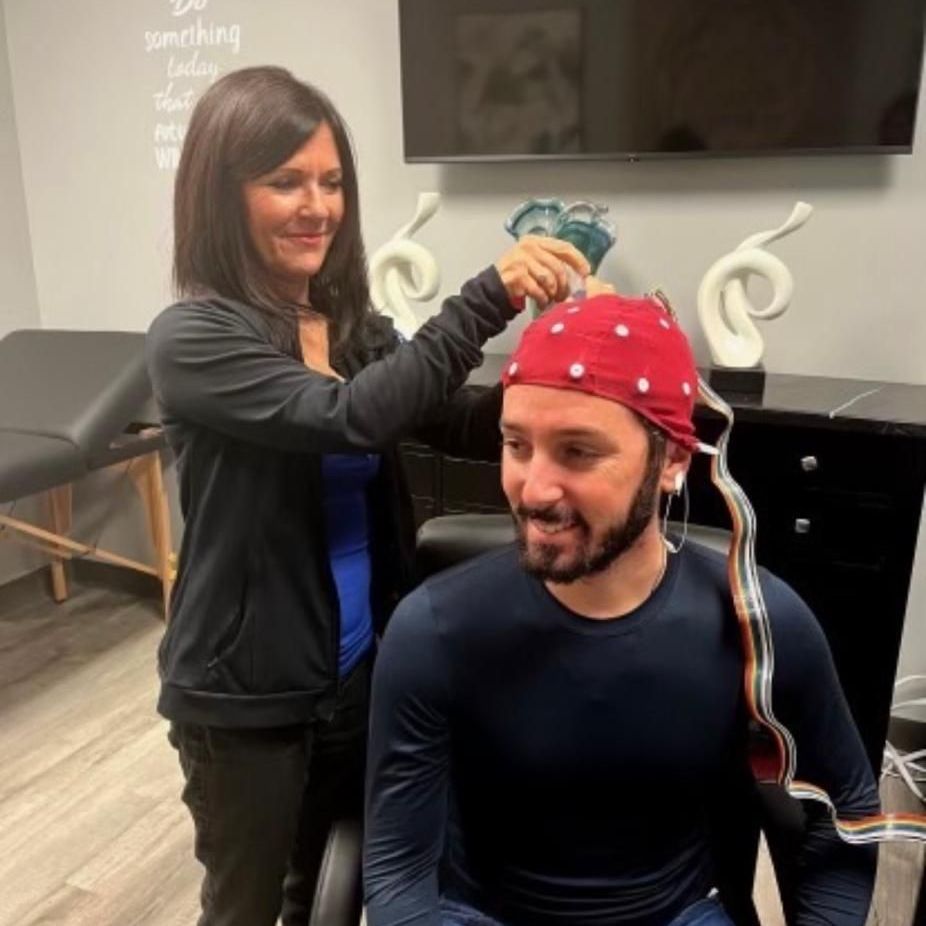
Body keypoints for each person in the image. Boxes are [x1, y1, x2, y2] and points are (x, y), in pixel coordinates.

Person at [145, 65, 589, 926]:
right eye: (284, 181)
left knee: (329, 886)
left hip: (357, 670)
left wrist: (566, 387)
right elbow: (351, 417)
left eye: (332, 181)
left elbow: (445, 415)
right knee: (246, 906)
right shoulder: (191, 338)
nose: (318, 206)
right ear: (220, 193)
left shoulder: (345, 321)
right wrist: (488, 296)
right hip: (245, 700)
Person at [364, 293, 880, 926]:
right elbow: (397, 874)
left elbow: (849, 816)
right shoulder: (433, 630)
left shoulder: (761, 622)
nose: (534, 489)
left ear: (672, 461)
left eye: (578, 452)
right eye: (516, 445)